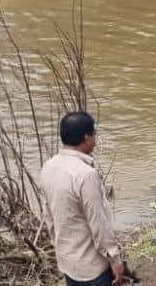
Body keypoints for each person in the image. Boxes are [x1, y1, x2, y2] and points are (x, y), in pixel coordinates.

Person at [40, 112, 123, 286]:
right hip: (92, 267)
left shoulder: (48, 167)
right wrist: (114, 260)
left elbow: (48, 216)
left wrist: (59, 247)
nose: (95, 139)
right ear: (87, 138)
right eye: (94, 135)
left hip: (68, 263)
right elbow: (98, 224)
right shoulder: (86, 175)